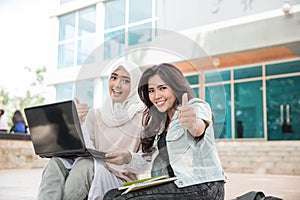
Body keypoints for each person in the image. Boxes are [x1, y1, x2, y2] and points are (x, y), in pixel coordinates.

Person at [104, 63, 226, 200]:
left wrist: (192, 124)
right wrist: (128, 157)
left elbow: (199, 128)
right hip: (173, 186)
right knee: (111, 195)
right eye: (151, 90)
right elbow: (150, 159)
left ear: (175, 87)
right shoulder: (160, 124)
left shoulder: (195, 106)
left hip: (202, 186)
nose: (156, 96)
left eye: (162, 88)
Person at [37, 60, 150, 200]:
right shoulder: (95, 114)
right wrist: (79, 123)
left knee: (86, 165)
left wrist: (128, 157)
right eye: (113, 78)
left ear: (135, 85)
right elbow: (85, 149)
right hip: (92, 168)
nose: (117, 85)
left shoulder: (143, 116)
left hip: (119, 180)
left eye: (126, 80)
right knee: (56, 162)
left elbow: (149, 161)